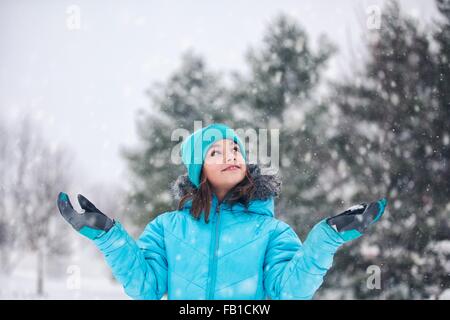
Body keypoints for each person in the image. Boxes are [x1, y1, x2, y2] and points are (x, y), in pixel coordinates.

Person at [57, 123, 387, 300]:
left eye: (234, 149)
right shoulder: (166, 228)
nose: (230, 154)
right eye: (215, 151)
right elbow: (146, 288)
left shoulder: (272, 232)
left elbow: (289, 291)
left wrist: (325, 238)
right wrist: (108, 236)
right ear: (198, 170)